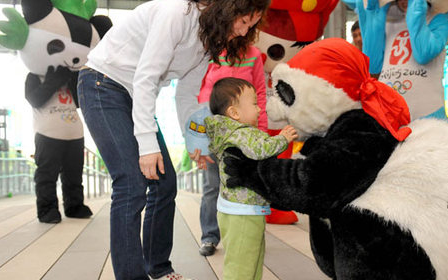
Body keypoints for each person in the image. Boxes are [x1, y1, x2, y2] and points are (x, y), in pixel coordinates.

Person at [76, 0, 270, 279]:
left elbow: (186, 96)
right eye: (243, 21)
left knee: (164, 183)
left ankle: (158, 267)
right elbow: (146, 76)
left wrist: (197, 144)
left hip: (134, 97)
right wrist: (146, 146)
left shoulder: (208, 41)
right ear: (227, 8)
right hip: (102, 85)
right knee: (131, 184)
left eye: (250, 27)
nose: (242, 32)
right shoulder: (177, 14)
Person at [204, 77, 298, 280]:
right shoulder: (243, 134)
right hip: (244, 211)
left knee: (249, 260)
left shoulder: (228, 133)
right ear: (234, 113)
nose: (259, 109)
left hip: (234, 209)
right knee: (241, 268)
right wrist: (282, 138)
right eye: (254, 103)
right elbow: (260, 149)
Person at [196, 44, 267, 256]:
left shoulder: (253, 54)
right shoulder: (209, 52)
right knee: (212, 185)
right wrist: (197, 137)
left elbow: (260, 93)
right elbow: (196, 91)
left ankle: (246, 235)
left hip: (245, 134)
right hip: (213, 132)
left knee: (247, 185)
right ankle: (209, 236)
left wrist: (261, 131)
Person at [356, 0, 448, 119]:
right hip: (391, 114)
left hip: (428, 113)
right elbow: (372, 64)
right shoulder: (389, 24)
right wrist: (374, 18)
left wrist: (417, 10)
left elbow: (423, 53)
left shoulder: (438, 19)